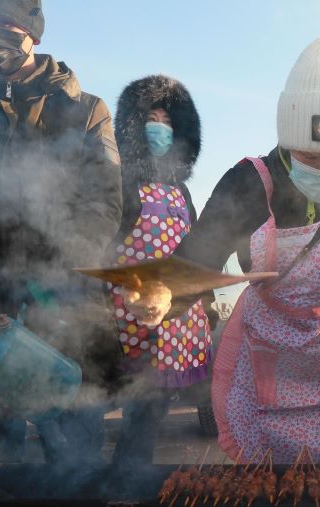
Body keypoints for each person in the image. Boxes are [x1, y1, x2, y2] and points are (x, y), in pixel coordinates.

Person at [125, 36, 320, 464]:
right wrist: (166, 294)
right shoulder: (249, 184)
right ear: (288, 140)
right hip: (257, 361)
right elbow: (198, 260)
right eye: (311, 155)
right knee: (261, 486)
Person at [0, 0, 122, 464]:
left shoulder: (86, 110)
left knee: (76, 461)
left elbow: (103, 202)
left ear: (32, 29)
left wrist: (60, 265)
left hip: (64, 310)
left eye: (4, 23)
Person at [109, 75, 216, 465]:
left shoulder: (183, 192)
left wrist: (205, 298)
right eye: (151, 118)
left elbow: (199, 249)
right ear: (134, 128)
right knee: (139, 407)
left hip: (179, 317)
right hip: (133, 316)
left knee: (152, 411)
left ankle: (128, 477)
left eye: (168, 121)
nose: (160, 127)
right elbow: (104, 245)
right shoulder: (121, 184)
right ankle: (125, 480)